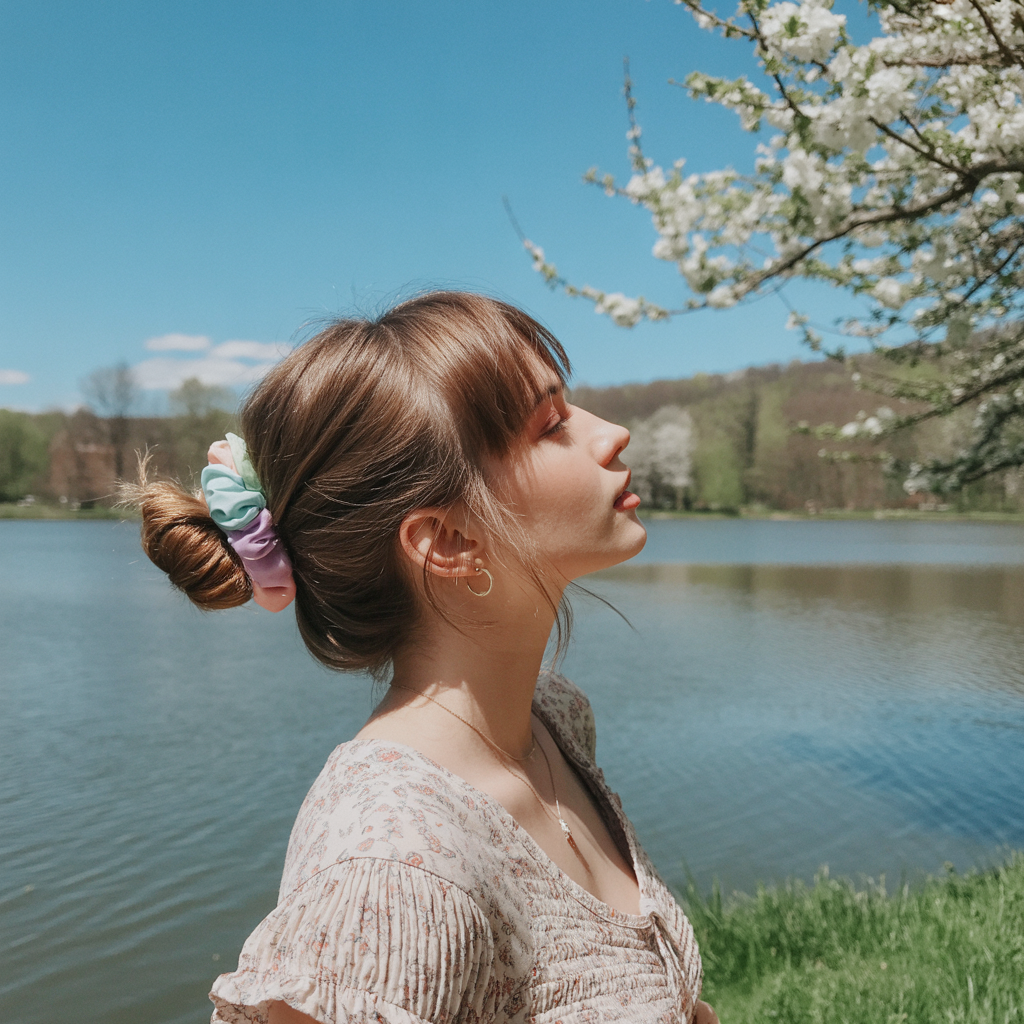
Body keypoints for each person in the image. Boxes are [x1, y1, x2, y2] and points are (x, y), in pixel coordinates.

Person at [134, 292, 717, 1024]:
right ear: (447, 541)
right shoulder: (389, 866)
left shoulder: (556, 720)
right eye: (552, 425)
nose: (613, 433)